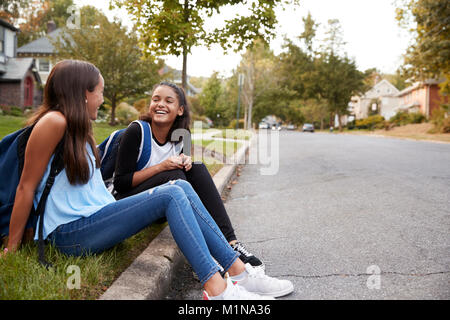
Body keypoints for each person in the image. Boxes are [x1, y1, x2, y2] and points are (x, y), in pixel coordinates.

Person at [0, 60, 294, 300]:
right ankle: (217, 289)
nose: (103, 99)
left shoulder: (81, 129)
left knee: (179, 185)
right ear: (83, 93)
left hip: (94, 218)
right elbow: (26, 187)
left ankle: (239, 272)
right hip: (69, 233)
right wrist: (11, 249)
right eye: (100, 92)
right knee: (171, 193)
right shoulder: (54, 122)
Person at [113, 81, 264, 271]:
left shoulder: (182, 135)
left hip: (166, 202)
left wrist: (187, 162)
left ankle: (231, 242)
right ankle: (209, 252)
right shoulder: (137, 131)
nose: (160, 104)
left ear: (180, 110)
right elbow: (121, 184)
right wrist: (161, 167)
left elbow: (185, 169)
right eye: (156, 99)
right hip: (130, 202)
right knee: (174, 173)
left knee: (197, 168)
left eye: (168, 101)